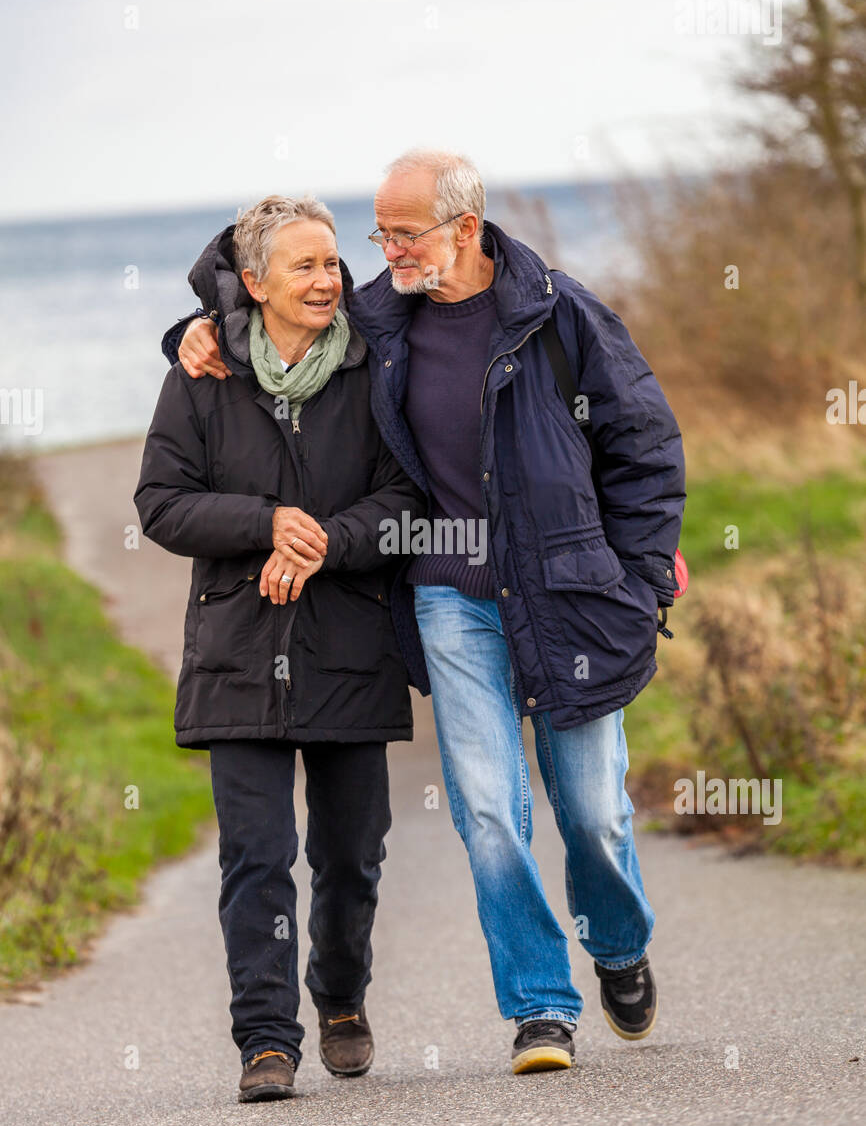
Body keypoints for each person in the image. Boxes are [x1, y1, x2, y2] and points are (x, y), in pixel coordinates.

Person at [166, 152, 686, 1077]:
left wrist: (644, 580)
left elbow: (642, 446)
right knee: (488, 809)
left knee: (597, 811)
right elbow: (266, 304)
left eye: (404, 234)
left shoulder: (560, 314)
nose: (384, 254)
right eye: (381, 234)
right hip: (449, 592)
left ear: (466, 228)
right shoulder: (383, 317)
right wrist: (193, 330)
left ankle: (616, 946)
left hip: (569, 589)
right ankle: (539, 1009)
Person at [136, 195, 425, 1102]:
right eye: (303, 266)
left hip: (347, 646)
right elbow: (161, 504)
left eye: (333, 263)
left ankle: (340, 1000)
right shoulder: (202, 372)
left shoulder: (375, 372)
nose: (327, 279)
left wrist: (324, 543)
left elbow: (409, 502)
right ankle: (266, 1040)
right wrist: (266, 524)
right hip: (237, 650)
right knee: (255, 857)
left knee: (353, 852)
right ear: (252, 283)